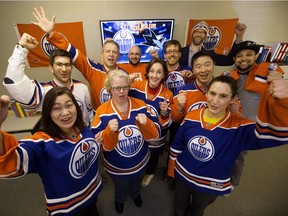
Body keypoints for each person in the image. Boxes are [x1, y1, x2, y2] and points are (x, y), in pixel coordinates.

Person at [167, 75, 288, 216]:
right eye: (212, 93)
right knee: (179, 206)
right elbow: (177, 145)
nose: (215, 101)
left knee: (197, 210)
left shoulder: (239, 126)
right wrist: (171, 170)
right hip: (183, 175)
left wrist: (282, 104)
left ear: (232, 99)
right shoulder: (192, 115)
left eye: (223, 96)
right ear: (206, 93)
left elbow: (273, 135)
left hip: (210, 184)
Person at [0, 87, 103, 216]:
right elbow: (12, 160)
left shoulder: (83, 129)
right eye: (57, 108)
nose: (65, 113)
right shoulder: (43, 143)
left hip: (92, 195)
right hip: (67, 209)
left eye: (69, 105)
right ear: (48, 113)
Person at [91, 69, 161, 214]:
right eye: (117, 88)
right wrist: (108, 132)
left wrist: (147, 123)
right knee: (121, 187)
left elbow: (155, 134)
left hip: (140, 162)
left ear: (129, 86)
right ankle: (120, 200)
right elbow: (98, 144)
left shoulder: (141, 105)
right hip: (117, 167)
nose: (121, 92)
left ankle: (135, 195)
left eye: (125, 87)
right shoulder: (101, 111)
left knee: (136, 183)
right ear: (110, 89)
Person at [32, 6, 122, 111]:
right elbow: (70, 50)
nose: (111, 54)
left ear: (118, 55)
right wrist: (52, 33)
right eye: (107, 51)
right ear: (102, 54)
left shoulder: (123, 73)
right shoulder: (92, 68)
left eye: (114, 52)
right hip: (100, 119)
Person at [222, 40, 284, 191]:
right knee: (224, 150)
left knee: (239, 156)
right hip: (229, 121)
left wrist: (277, 80)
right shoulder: (230, 74)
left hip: (248, 125)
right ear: (235, 59)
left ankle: (233, 183)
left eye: (249, 54)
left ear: (256, 56)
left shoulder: (267, 73)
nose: (244, 58)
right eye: (239, 56)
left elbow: (278, 91)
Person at [3, 33, 93, 126]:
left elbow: (89, 116)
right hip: (59, 139)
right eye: (59, 64)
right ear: (51, 68)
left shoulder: (82, 87)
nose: (64, 69)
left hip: (83, 137)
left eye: (67, 65)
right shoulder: (44, 91)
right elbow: (13, 80)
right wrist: (22, 48)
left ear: (71, 67)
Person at [129, 57, 173, 187]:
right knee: (136, 152)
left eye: (159, 72)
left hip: (156, 134)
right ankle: (136, 172)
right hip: (138, 131)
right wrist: (127, 82)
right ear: (147, 72)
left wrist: (165, 113)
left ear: (164, 75)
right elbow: (121, 98)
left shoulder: (167, 94)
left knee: (154, 155)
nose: (154, 75)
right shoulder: (136, 86)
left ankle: (151, 172)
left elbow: (166, 124)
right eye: (152, 71)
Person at [179, 21, 247, 67]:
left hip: (202, 86)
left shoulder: (209, 52)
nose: (199, 35)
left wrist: (239, 37)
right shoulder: (181, 52)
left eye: (202, 33)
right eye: (196, 32)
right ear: (192, 34)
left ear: (205, 36)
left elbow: (228, 61)